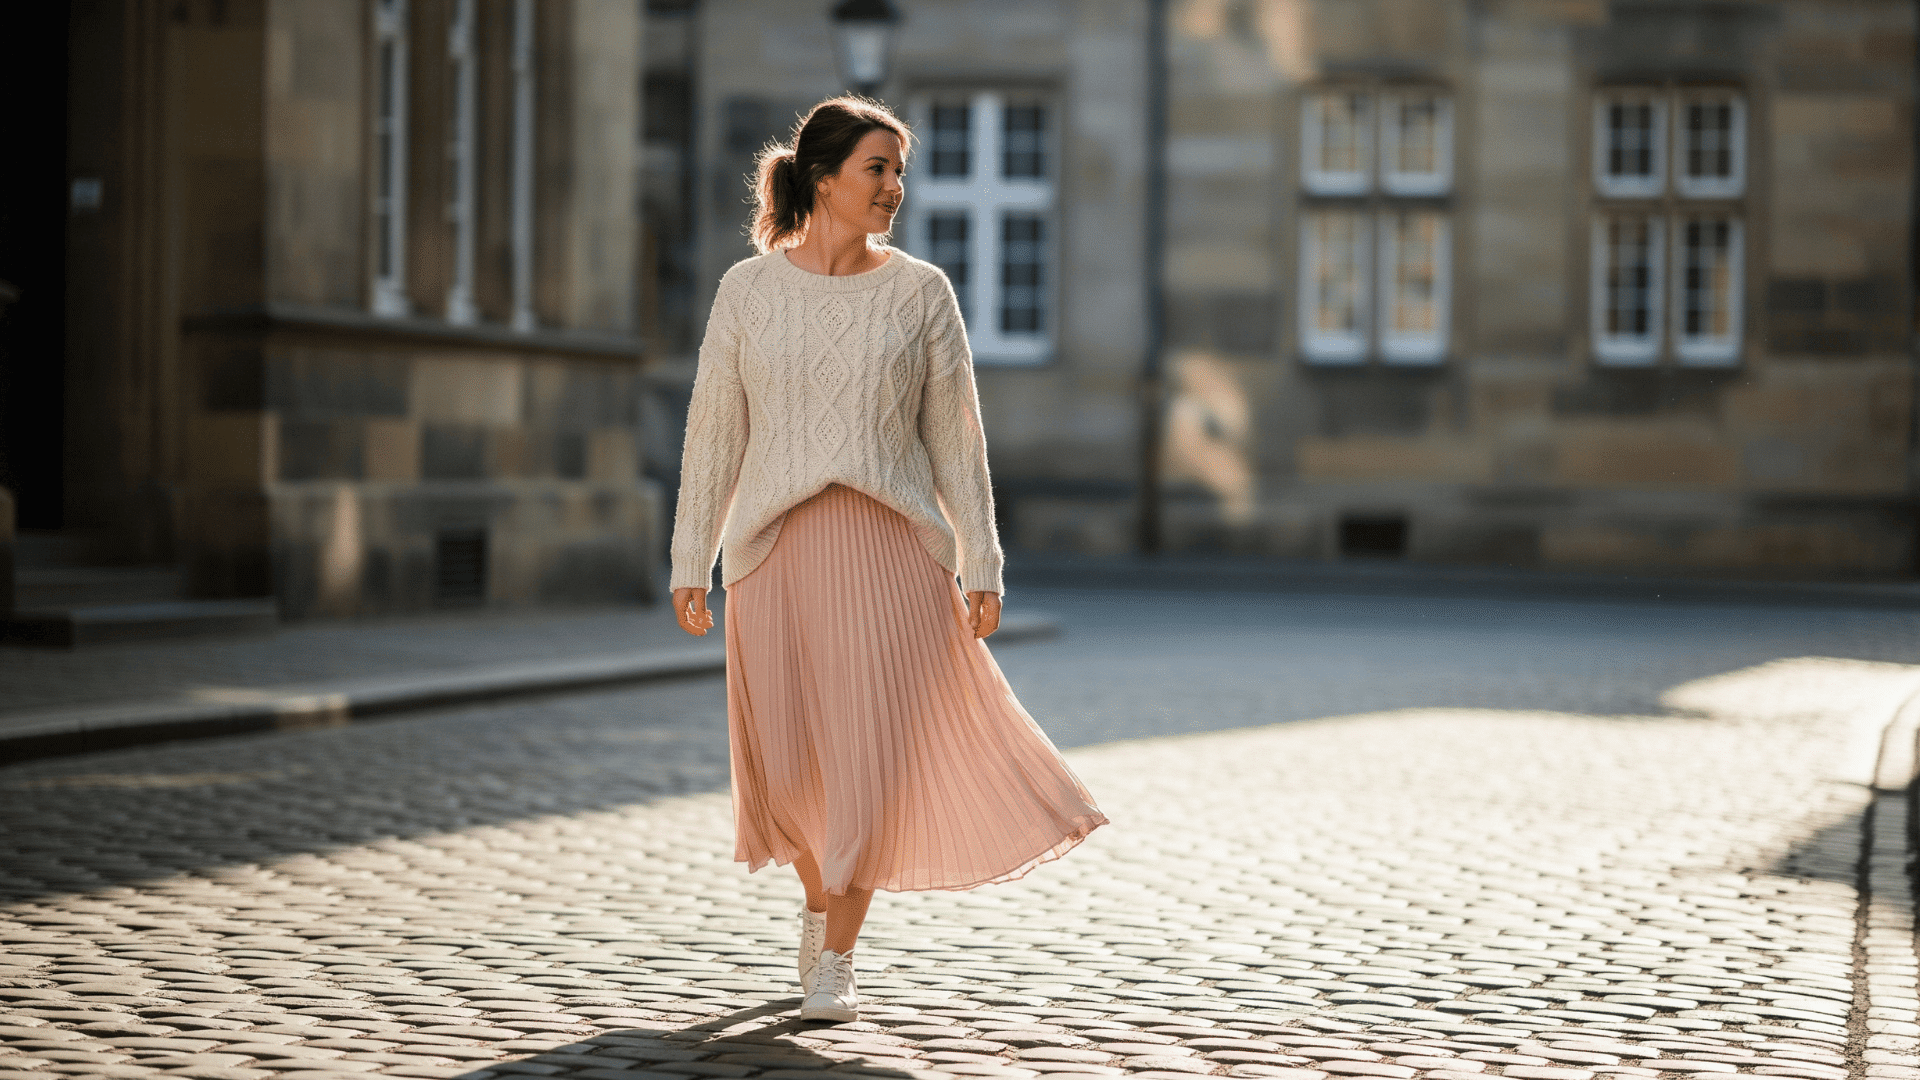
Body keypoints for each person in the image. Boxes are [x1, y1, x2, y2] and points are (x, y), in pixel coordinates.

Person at [667, 96, 1108, 1023]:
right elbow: (713, 430)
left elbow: (958, 438)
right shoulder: (747, 292)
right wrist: (688, 556)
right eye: (878, 169)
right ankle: (821, 896)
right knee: (785, 767)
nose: (895, 189)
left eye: (899, 172)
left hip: (890, 554)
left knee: (868, 761)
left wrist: (981, 560)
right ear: (824, 178)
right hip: (771, 557)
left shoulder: (920, 294)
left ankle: (837, 958)